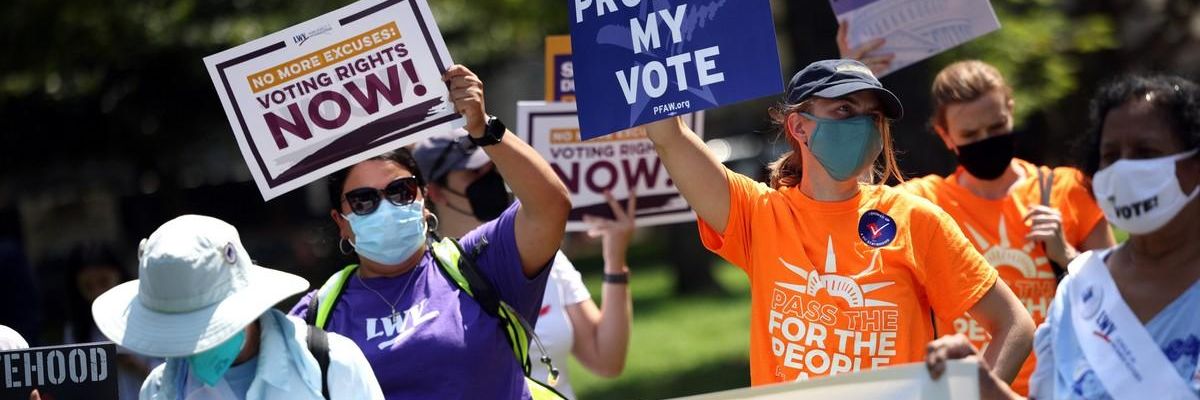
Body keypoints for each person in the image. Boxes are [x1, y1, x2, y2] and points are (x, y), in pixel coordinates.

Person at [640, 58, 1034, 385]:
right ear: (799, 127)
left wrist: (980, 396)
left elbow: (1015, 324)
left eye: (871, 115)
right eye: (844, 109)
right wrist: (654, 49)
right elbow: (668, 136)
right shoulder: (758, 215)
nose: (862, 124)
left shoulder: (915, 220)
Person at [289, 64, 572, 399]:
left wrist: (484, 129)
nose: (386, 207)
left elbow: (549, 206)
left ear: (424, 201)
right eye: (363, 200)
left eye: (400, 191)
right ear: (341, 222)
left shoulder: (480, 265)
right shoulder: (313, 317)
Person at [926, 74, 1200, 399]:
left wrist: (1065, 254)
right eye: (1111, 155)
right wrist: (985, 384)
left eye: (1146, 152)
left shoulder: (1064, 196)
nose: (1124, 170)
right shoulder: (1078, 292)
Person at [888, 61, 1115, 393]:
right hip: (965, 390)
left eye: (996, 127)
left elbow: (1122, 297)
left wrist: (1068, 255)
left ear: (1011, 111)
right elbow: (856, 200)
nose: (986, 140)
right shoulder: (925, 200)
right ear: (945, 134)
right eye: (970, 135)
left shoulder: (1067, 189)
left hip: (1062, 387)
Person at [412, 130, 634, 399]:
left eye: (491, 168)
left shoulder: (541, 254)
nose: (489, 179)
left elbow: (605, 360)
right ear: (435, 192)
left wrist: (615, 258)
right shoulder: (425, 279)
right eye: (473, 173)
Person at [91, 215, 383, 399]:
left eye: (204, 324)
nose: (196, 341)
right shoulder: (158, 391)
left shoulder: (332, 365)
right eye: (181, 327)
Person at [63, 243, 161, 400]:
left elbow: (177, 374)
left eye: (104, 282)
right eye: (87, 286)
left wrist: (139, 367)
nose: (97, 292)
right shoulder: (76, 330)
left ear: (119, 275)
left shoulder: (148, 316)